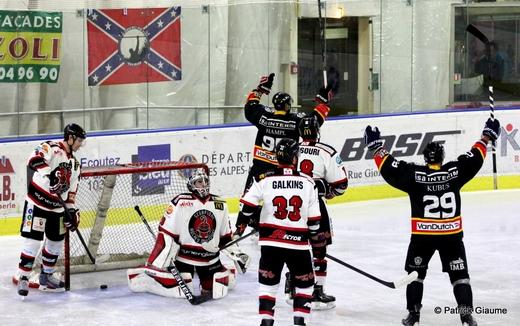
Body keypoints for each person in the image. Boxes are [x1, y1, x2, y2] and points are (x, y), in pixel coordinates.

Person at [363, 118, 500, 326]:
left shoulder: (414, 175)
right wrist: (486, 137)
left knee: (415, 275)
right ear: (442, 158)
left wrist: (376, 147)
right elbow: (474, 159)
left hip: (423, 237)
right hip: (451, 237)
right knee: (460, 276)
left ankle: (413, 316)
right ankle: (466, 317)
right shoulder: (455, 172)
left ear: (425, 157)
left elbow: (390, 167)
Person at [127, 169, 251, 300]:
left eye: (205, 181)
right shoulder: (180, 202)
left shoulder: (220, 204)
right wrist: (163, 256)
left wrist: (237, 254)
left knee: (216, 291)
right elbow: (166, 231)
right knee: (180, 287)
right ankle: (148, 276)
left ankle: (223, 272)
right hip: (184, 259)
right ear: (191, 184)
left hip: (210, 260)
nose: (203, 185)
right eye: (199, 182)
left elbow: (225, 237)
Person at [236, 138, 321, 326]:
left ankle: (266, 322)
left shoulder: (264, 179)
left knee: (268, 285)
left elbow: (247, 207)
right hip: (298, 244)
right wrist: (313, 238)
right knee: (305, 285)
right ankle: (300, 322)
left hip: (270, 244)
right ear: (295, 157)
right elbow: (315, 221)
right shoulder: (307, 182)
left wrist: (254, 219)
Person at [284, 117, 349, 310]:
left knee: (294, 246)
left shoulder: (290, 149)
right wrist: (326, 192)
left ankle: (293, 282)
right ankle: (317, 291)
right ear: (317, 131)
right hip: (315, 207)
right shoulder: (326, 151)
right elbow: (341, 185)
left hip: (291, 207)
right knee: (319, 250)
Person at [16, 123, 86, 296]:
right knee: (33, 242)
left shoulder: (76, 165)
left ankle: (46, 276)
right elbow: (33, 159)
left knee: (56, 242)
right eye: (78, 140)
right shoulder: (52, 148)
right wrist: (50, 174)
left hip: (56, 209)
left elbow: (71, 193)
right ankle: (24, 277)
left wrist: (72, 211)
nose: (80, 144)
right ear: (70, 138)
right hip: (37, 203)